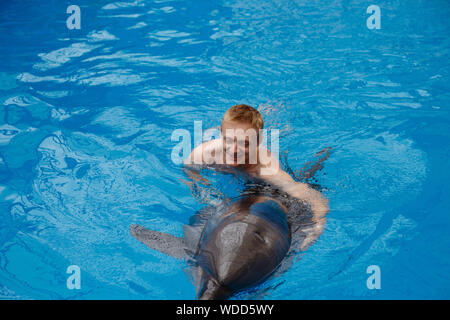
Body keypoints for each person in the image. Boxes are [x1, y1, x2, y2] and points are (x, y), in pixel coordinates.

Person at [183, 104, 329, 223]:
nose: (234, 150)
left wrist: (316, 225)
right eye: (228, 139)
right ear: (221, 134)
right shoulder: (204, 154)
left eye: (244, 144)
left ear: (258, 142)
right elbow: (189, 171)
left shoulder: (266, 171)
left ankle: (274, 116)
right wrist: (207, 194)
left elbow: (313, 197)